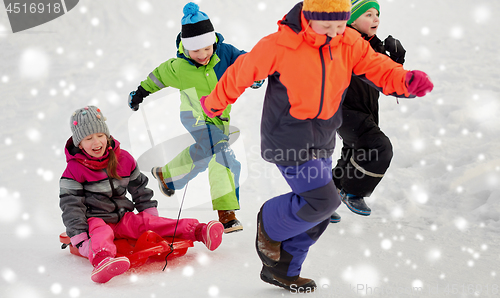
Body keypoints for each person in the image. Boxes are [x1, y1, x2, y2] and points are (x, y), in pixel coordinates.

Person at [200, 0, 433, 292]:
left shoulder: (348, 42)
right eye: (327, 25)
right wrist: (214, 104)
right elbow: (240, 73)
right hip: (287, 137)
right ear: (310, 17)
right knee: (324, 201)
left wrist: (406, 82)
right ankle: (269, 223)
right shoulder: (281, 44)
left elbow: (379, 68)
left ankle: (283, 268)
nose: (335, 32)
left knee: (321, 209)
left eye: (340, 24)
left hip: (322, 137)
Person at [128, 2, 263, 234]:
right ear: (185, 47)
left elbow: (247, 63)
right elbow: (157, 77)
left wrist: (255, 76)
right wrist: (140, 93)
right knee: (222, 152)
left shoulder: (225, 52)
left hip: (220, 118)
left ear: (213, 42)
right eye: (195, 50)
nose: (202, 55)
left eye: (206, 49)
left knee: (203, 155)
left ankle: (167, 175)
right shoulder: (179, 67)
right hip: (195, 117)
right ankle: (226, 212)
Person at [59, 106, 224, 283]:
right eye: (88, 138)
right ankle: (103, 260)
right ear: (79, 143)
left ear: (106, 136)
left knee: (148, 223)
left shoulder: (123, 159)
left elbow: (140, 188)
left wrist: (149, 215)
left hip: (123, 218)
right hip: (94, 220)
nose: (96, 142)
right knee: (101, 231)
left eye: (99, 135)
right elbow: (71, 206)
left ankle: (199, 231)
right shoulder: (74, 170)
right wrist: (80, 238)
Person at [330, 0, 407, 223]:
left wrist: (396, 60)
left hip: (367, 110)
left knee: (354, 153)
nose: (376, 19)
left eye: (377, 14)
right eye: (368, 14)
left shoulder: (377, 46)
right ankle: (353, 190)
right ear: (351, 19)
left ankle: (322, 201)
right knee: (379, 147)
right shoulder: (342, 43)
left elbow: (390, 82)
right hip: (343, 109)